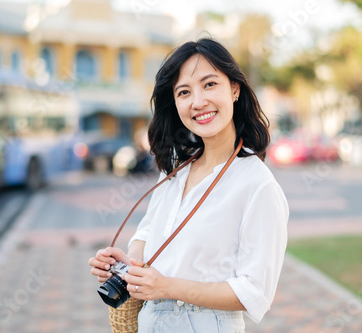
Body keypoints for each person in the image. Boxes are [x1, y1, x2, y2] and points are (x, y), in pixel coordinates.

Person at [88, 38, 289, 332]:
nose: (198, 101)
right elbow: (147, 232)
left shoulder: (257, 185)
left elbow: (254, 292)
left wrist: (168, 287)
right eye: (184, 92)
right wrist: (128, 266)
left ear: (234, 89)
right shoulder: (174, 169)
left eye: (209, 84)